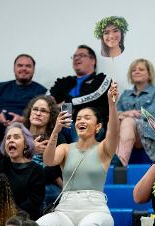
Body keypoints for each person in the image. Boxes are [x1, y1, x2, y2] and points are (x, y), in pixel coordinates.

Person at [36, 82, 119, 226]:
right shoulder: (65, 148)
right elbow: (48, 161)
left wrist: (112, 104)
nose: (81, 120)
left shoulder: (104, 148)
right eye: (79, 118)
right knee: (40, 223)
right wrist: (55, 131)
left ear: (98, 126)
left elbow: (114, 132)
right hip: (65, 208)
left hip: (95, 209)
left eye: (87, 118)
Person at [0, 54, 47, 155]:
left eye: (28, 66)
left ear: (33, 70)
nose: (24, 69)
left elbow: (43, 114)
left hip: (24, 127)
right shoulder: (0, 87)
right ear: (14, 68)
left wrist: (23, 119)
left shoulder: (41, 91)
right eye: (20, 65)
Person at [0, 122, 45, 220]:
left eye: (16, 137)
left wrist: (9, 215)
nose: (11, 140)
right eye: (8, 138)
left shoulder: (36, 170)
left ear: (26, 144)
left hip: (21, 220)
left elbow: (33, 203)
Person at [49, 44, 111, 142]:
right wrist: (51, 104)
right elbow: (49, 100)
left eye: (81, 55)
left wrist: (67, 104)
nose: (76, 58)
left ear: (93, 60)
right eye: (74, 56)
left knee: (80, 138)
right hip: (62, 123)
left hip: (89, 124)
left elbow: (94, 96)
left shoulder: (102, 79)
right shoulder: (64, 81)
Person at [116, 58, 155, 166]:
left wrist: (131, 115)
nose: (137, 71)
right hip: (129, 132)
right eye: (134, 70)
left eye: (141, 69)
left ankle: (120, 163)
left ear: (149, 74)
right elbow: (115, 113)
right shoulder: (126, 94)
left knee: (127, 121)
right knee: (117, 121)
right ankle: (116, 161)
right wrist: (126, 114)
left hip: (150, 134)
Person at [22, 95, 67, 209]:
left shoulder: (57, 138)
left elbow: (54, 171)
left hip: (46, 184)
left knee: (46, 192)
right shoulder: (18, 134)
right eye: (35, 109)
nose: (38, 113)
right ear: (30, 112)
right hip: (19, 180)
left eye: (43, 111)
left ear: (50, 116)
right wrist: (30, 150)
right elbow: (7, 161)